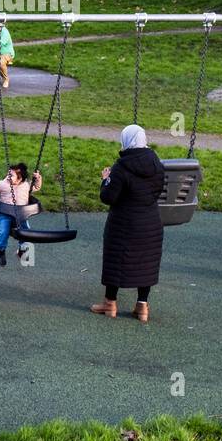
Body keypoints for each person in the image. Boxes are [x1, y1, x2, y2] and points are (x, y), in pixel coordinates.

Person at [92, 124, 165, 323]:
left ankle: (110, 304)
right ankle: (142, 307)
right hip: (150, 222)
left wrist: (105, 180)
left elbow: (109, 197)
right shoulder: (156, 164)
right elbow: (157, 191)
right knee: (146, 263)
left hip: (123, 223)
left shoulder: (121, 167)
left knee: (116, 260)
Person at [0, 163, 43, 267]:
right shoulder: (2, 184)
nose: (8, 176)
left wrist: (37, 178)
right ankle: (1, 251)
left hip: (21, 215)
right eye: (8, 173)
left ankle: (21, 250)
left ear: (20, 178)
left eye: (11, 175)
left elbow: (36, 186)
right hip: (5, 214)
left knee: (26, 233)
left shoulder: (26, 185)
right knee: (3, 232)